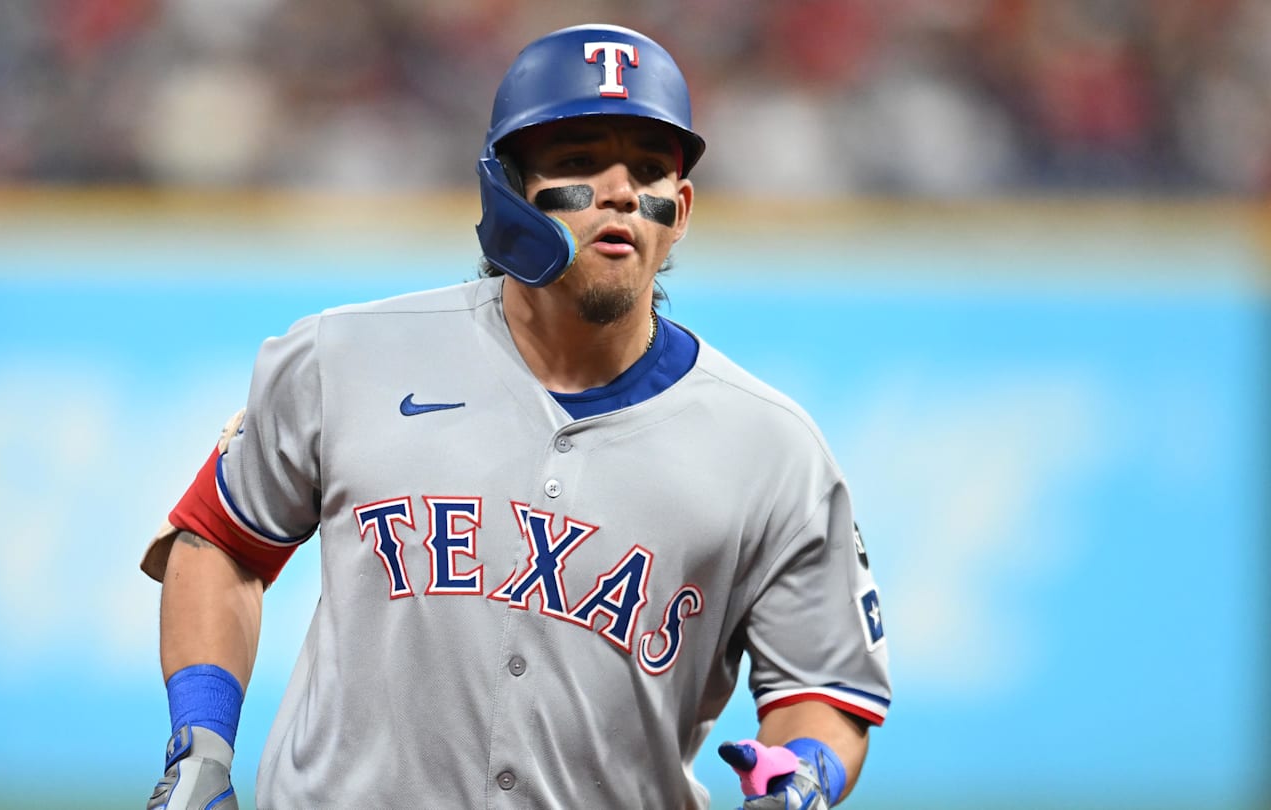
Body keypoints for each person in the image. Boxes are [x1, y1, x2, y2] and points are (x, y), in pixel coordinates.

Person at [142, 22, 891, 810]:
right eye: (577, 164)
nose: (619, 193)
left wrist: (804, 772)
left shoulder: (769, 448)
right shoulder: (346, 358)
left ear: (682, 209)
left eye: (646, 170)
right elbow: (221, 542)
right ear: (507, 190)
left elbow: (825, 685)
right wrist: (201, 750)